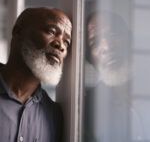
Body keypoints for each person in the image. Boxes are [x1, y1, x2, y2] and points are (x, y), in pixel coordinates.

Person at [0, 7, 72, 142]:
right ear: (18, 32)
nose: (61, 45)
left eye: (67, 42)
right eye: (51, 31)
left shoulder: (54, 115)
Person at [84, 12, 132, 142]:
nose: (107, 47)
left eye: (113, 35)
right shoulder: (85, 108)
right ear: (90, 57)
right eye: (95, 42)